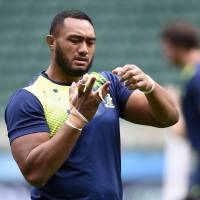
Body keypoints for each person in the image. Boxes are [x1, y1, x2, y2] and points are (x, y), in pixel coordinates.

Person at [5, 10, 178, 200]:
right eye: (75, 40)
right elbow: (35, 174)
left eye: (90, 42)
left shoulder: (106, 85)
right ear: (51, 42)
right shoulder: (29, 98)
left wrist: (150, 87)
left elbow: (168, 117)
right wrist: (77, 119)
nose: (84, 49)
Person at [161, 21, 200, 200]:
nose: (165, 53)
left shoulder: (196, 76)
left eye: (167, 47)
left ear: (178, 46)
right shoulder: (190, 74)